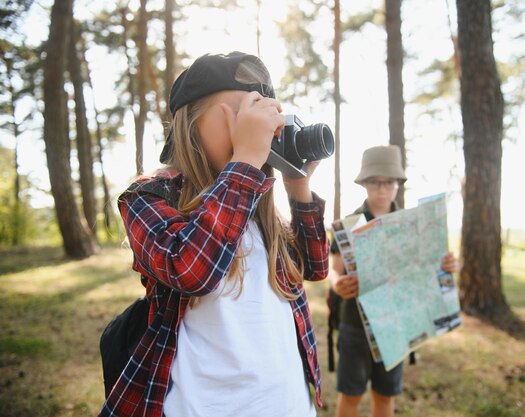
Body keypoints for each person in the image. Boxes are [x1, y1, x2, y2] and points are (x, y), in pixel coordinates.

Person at [99, 51, 330, 417]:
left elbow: (315, 267)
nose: (260, 130)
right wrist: (245, 161)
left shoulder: (254, 206)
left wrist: (297, 185)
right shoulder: (149, 197)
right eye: (244, 113)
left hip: (286, 404)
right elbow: (192, 270)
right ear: (191, 123)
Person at [329, 145, 459, 417]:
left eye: (388, 182)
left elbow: (428, 267)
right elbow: (333, 269)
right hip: (355, 323)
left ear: (398, 184)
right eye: (374, 182)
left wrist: (448, 266)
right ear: (364, 184)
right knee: (351, 394)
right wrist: (336, 283)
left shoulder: (413, 224)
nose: (382, 189)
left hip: (397, 324)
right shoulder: (349, 225)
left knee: (385, 395)